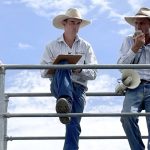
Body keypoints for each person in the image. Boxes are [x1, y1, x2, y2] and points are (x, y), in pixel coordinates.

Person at [40, 8, 97, 150]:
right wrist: (55, 66)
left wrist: (79, 68)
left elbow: (94, 73)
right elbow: (42, 72)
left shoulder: (86, 46)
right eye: (72, 22)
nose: (75, 26)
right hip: (59, 86)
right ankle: (66, 101)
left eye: (78, 23)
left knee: (73, 125)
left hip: (79, 88)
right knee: (63, 63)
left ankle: (65, 106)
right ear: (64, 23)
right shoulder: (51, 46)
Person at [118, 7, 150, 150]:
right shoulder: (128, 41)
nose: (138, 26)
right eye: (136, 23)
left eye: (142, 23)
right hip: (134, 87)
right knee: (127, 117)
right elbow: (120, 67)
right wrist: (135, 47)